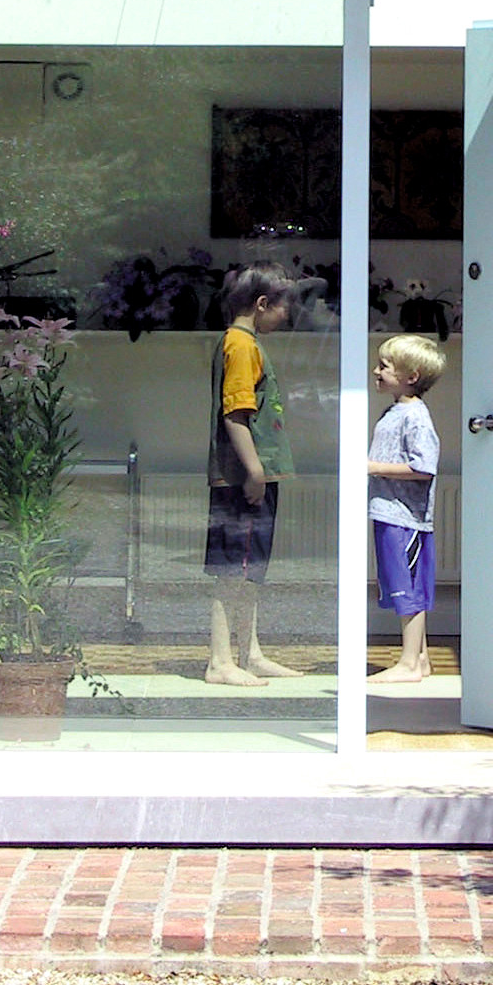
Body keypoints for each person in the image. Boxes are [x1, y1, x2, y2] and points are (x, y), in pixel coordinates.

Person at [204, 261, 302, 686]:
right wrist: (255, 471)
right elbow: (236, 412)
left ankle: (249, 652)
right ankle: (220, 661)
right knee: (233, 569)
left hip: (251, 476)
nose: (286, 315)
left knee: (249, 568)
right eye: (283, 307)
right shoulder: (240, 345)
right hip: (242, 479)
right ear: (262, 304)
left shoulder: (247, 343)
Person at [367, 333, 445, 684]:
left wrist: (373, 467)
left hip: (405, 517)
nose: (376, 371)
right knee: (403, 584)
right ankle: (420, 657)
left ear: (411, 376)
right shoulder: (395, 411)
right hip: (389, 513)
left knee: (407, 587)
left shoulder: (415, 417)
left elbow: (424, 466)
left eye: (384, 366)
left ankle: (409, 662)